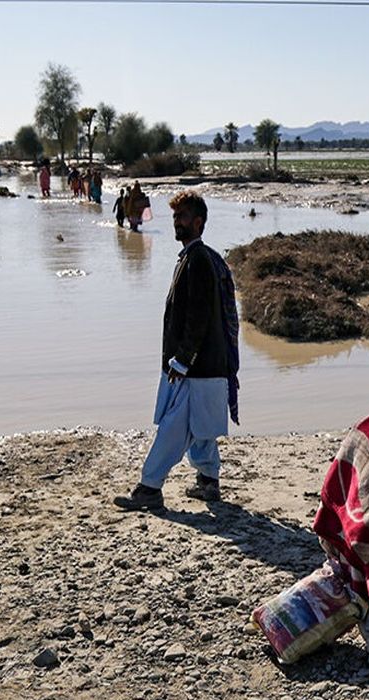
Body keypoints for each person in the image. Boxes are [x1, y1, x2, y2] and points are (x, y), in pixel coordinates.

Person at [114, 191, 240, 511]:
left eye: (182, 216)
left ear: (198, 222)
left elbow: (198, 316)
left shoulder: (198, 261)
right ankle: (208, 482)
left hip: (197, 367)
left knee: (175, 428)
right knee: (201, 428)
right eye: (174, 216)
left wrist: (183, 359)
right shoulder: (193, 258)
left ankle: (149, 488)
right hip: (205, 364)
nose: (176, 222)